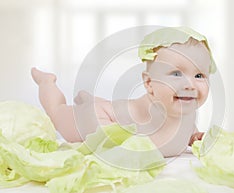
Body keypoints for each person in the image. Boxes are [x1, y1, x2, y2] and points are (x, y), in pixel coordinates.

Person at [31, 27, 217, 157]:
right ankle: (47, 82)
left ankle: (89, 99)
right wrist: (107, 135)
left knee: (103, 108)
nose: (191, 84)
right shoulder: (154, 107)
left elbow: (182, 128)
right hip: (100, 116)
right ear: (149, 84)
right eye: (176, 73)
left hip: (108, 111)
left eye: (199, 75)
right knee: (57, 112)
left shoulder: (184, 107)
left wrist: (194, 136)